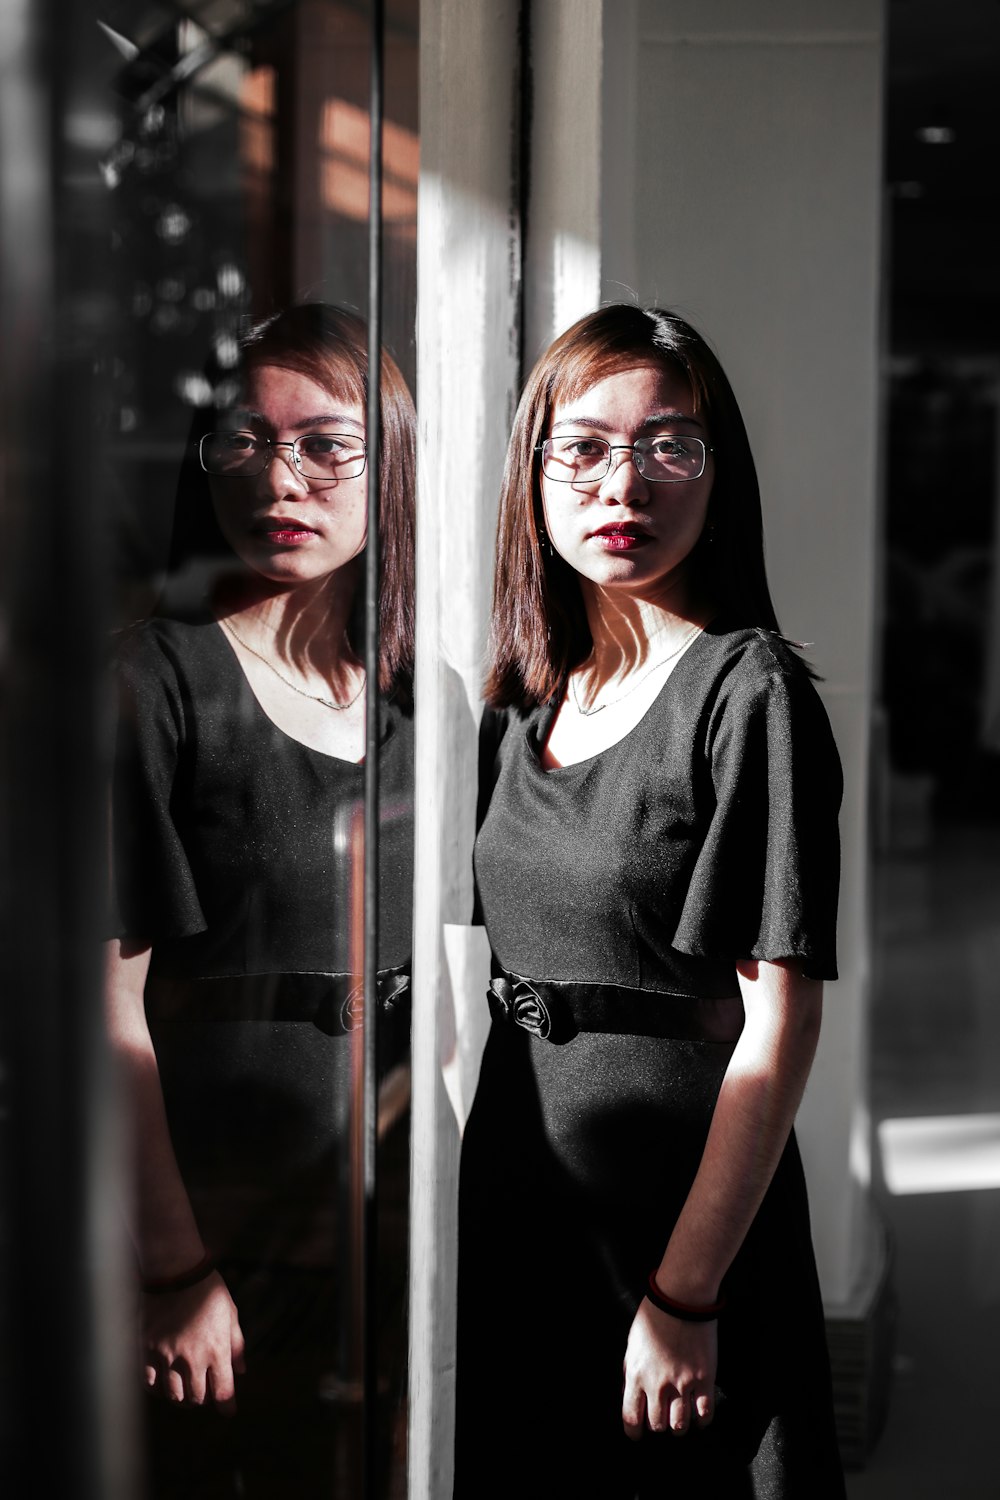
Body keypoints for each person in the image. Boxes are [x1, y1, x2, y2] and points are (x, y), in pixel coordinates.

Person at [455, 303, 846, 1497]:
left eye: (668, 444)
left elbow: (777, 1025)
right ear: (534, 472)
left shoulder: (750, 693)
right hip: (523, 1190)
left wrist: (685, 1292)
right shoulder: (520, 702)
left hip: (683, 1217)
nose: (623, 480)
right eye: (583, 446)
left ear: (717, 473)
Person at [104, 304, 415, 1498]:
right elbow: (107, 1010)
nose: (279, 477)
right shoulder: (157, 681)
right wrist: (173, 1269)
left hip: (379, 1215)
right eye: (244, 441)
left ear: (384, 462)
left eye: (325, 444)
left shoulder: (420, 697)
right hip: (217, 1215)